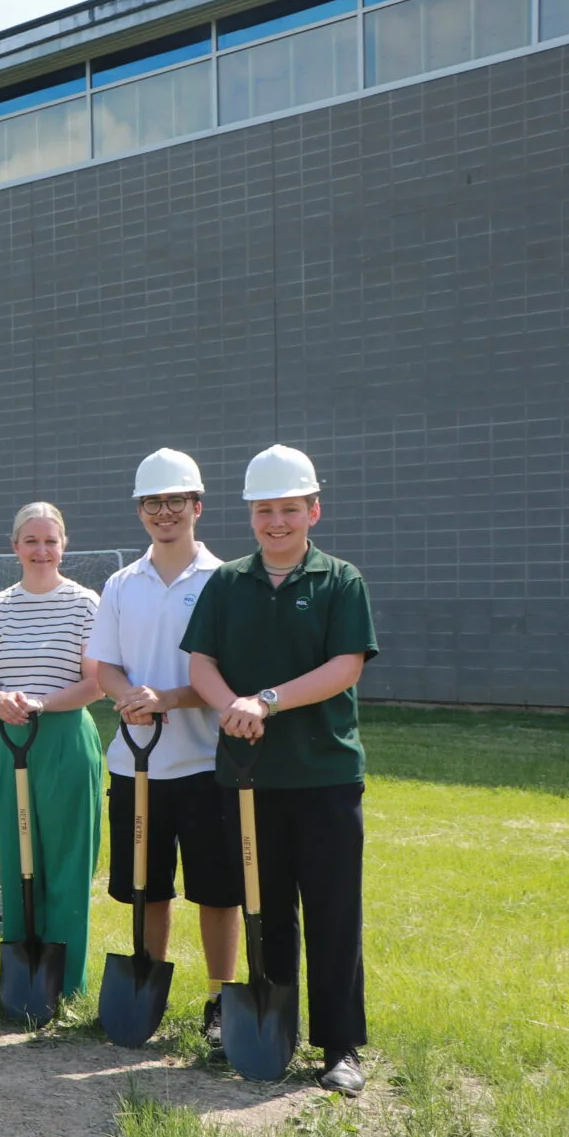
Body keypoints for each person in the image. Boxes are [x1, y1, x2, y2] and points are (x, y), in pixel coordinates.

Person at [182, 444, 377, 1096]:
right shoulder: (227, 583)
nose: (277, 522)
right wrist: (228, 705)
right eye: (265, 510)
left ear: (313, 510)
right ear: (250, 514)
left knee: (332, 910)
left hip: (323, 774)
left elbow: (345, 667)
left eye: (290, 509)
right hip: (248, 776)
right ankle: (273, 1030)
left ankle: (340, 1044)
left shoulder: (340, 580)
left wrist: (265, 699)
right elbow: (200, 664)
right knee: (264, 910)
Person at [88, 449, 240, 1046]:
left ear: (197, 507)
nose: (165, 512)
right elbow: (105, 667)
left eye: (177, 501)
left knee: (217, 891)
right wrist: (129, 698)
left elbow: (229, 676)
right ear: (140, 511)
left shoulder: (225, 581)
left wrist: (169, 699)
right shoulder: (122, 584)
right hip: (135, 764)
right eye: (153, 502)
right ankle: (146, 987)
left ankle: (219, 999)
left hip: (206, 763)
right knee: (146, 888)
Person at [0, 501, 105, 999]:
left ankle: (66, 984)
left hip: (65, 736)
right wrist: (2, 699)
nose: (42, 550)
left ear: (63, 545)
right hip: (7, 740)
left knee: (68, 857)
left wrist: (42, 704)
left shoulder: (86, 603)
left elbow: (95, 684)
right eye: (32, 540)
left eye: (50, 540)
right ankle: (23, 979)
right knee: (16, 855)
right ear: (15, 547)